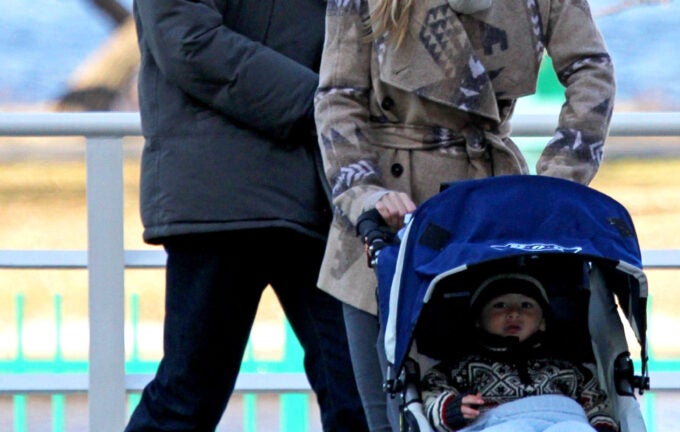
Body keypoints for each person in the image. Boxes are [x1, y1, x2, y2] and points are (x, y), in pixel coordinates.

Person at [314, 0, 615, 430]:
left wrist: (560, 178)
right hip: (390, 216)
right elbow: (338, 96)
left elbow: (591, 69)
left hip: (493, 218)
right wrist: (363, 192)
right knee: (387, 414)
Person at [125, 1, 368, 431]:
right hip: (227, 195)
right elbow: (190, 43)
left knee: (360, 392)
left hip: (310, 191)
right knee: (187, 397)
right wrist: (326, 104)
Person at [420, 273, 619, 432]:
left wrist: (602, 426)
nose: (514, 313)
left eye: (526, 305)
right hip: (496, 423)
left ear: (543, 322)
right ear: (478, 320)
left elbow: (597, 404)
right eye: (500, 305)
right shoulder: (462, 367)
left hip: (560, 418)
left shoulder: (568, 368)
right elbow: (432, 392)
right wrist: (451, 410)